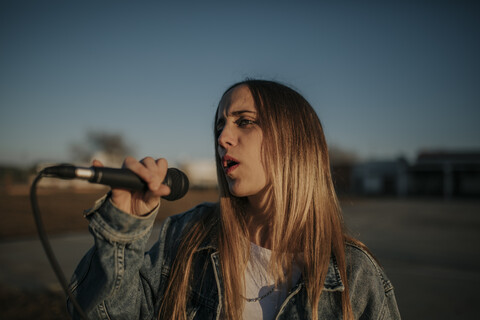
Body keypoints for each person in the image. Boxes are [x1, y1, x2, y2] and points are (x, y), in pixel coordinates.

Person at [68, 80, 401, 320]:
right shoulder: (188, 234)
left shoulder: (355, 275)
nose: (222, 138)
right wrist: (122, 230)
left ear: (294, 141)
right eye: (219, 127)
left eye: (244, 121)